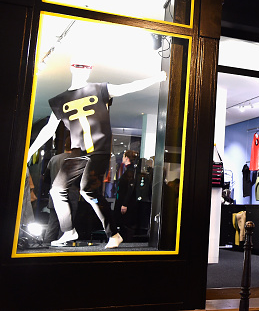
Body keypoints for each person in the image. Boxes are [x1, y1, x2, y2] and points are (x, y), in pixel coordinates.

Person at [26, 56, 166, 248]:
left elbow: (127, 87)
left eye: (87, 67)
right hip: (77, 152)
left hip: (98, 149)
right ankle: (68, 231)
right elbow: (49, 129)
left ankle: (114, 234)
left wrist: (155, 78)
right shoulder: (60, 100)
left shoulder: (99, 89)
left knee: (88, 190)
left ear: (90, 69)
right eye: (79, 66)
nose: (84, 69)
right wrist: (29, 151)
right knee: (57, 190)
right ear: (72, 68)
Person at [113, 150, 139, 243]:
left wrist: (124, 204)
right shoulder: (129, 170)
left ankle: (125, 240)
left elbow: (129, 189)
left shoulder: (130, 171)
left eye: (124, 157)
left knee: (125, 223)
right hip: (124, 200)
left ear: (127, 158)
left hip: (124, 201)